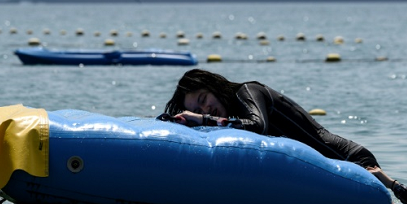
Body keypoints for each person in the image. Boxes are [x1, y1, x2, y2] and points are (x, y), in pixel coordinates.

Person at [162, 69, 381, 170]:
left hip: (352, 161)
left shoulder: (247, 91)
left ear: (214, 87)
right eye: (197, 108)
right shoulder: (231, 117)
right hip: (326, 168)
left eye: (203, 99)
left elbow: (258, 126)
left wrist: (202, 119)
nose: (204, 108)